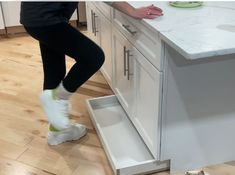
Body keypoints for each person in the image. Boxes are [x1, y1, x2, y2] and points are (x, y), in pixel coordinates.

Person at [20, 2, 163, 145]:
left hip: (35, 18)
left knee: (54, 69)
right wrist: (132, 10)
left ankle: (57, 132)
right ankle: (57, 97)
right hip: (47, 19)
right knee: (93, 57)